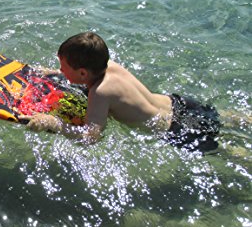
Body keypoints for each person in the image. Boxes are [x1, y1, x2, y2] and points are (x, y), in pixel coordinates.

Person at [20, 32, 221, 153]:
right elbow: (82, 77)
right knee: (230, 120)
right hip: (179, 104)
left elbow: (91, 137)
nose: (60, 70)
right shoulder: (110, 66)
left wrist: (56, 125)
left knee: (230, 151)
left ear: (82, 72)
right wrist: (52, 74)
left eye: (62, 67)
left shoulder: (99, 93)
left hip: (176, 131)